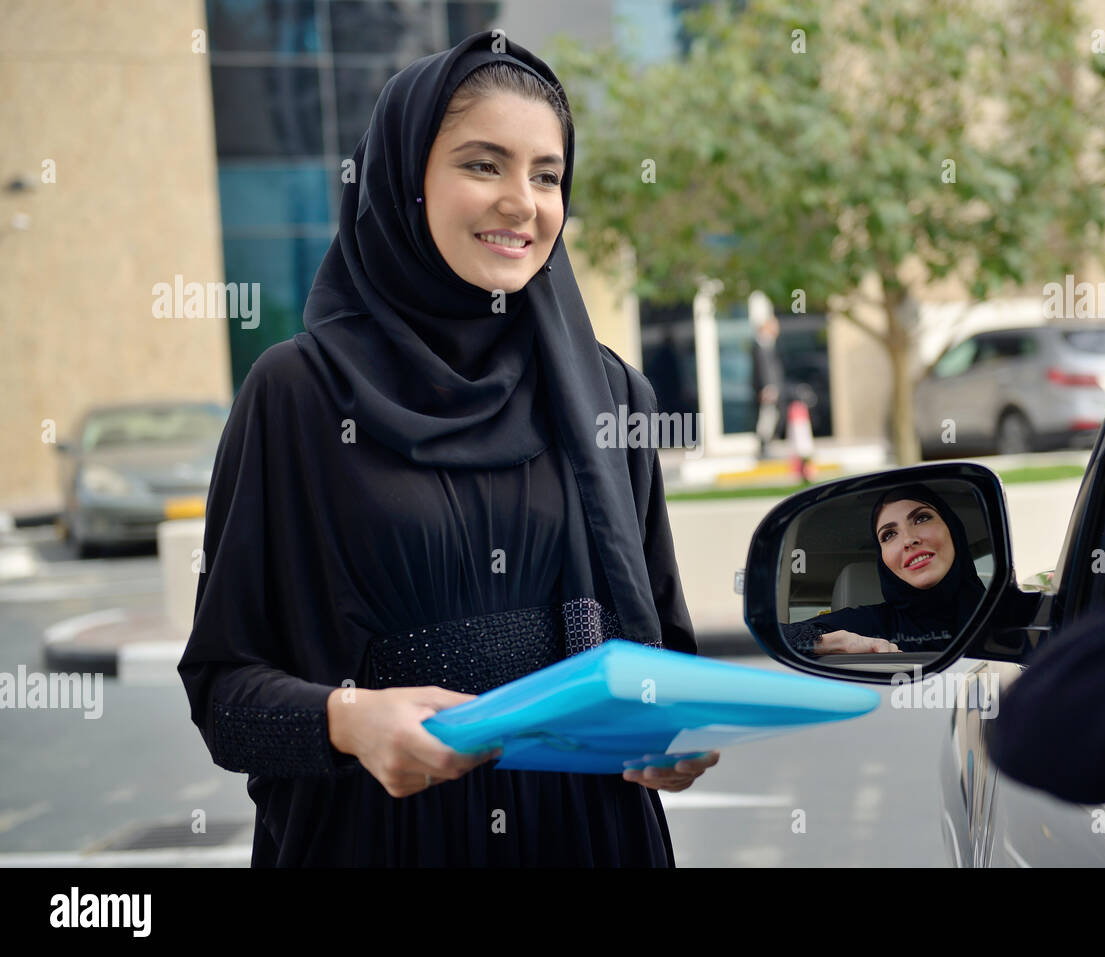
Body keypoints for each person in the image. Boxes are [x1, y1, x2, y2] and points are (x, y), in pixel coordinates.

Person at [177, 31, 717, 867]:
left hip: (590, 836)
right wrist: (348, 721)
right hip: (379, 839)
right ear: (405, 184)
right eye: (482, 164)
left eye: (547, 175)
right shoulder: (298, 396)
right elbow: (222, 691)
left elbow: (661, 652)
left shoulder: (610, 395)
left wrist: (666, 728)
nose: (522, 201)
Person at [783, 483, 987, 656]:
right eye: (889, 535)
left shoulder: (1002, 611)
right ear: (883, 559)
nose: (908, 540)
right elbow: (769, 638)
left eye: (921, 518)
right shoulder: (871, 626)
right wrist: (836, 643)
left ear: (953, 529)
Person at [752, 316, 784, 460]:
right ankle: (763, 448)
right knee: (766, 417)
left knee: (771, 417)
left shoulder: (768, 344)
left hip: (771, 388)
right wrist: (767, 387)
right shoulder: (762, 345)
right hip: (767, 389)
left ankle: (766, 446)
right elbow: (764, 369)